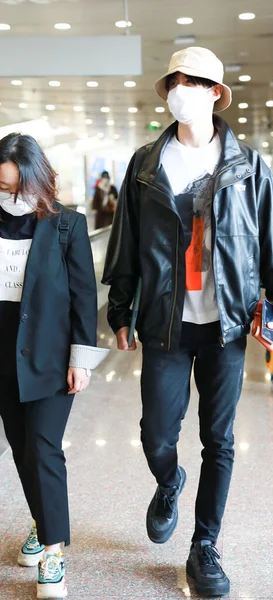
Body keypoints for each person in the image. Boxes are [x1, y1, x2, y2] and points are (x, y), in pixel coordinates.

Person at [102, 46, 273, 597]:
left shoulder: (248, 166)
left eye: (193, 82)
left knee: (220, 440)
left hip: (226, 326)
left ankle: (205, 545)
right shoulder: (146, 163)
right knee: (155, 434)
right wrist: (120, 310)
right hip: (166, 322)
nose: (180, 90)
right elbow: (127, 243)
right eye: (174, 81)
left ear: (216, 92)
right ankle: (169, 483)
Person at [0, 133, 109, 599]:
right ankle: (43, 521)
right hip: (2, 356)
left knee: (45, 449)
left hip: (48, 356)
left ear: (37, 179)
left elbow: (85, 295)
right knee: (22, 449)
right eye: (2, 188)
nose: (11, 197)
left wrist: (81, 359)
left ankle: (53, 551)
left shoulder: (66, 225)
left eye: (17, 188)